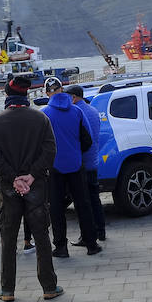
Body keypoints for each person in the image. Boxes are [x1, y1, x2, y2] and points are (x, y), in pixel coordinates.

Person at [0, 75, 61, 302]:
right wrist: (31, 175)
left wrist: (13, 178)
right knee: (41, 237)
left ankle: (7, 289)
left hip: (8, 188)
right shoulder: (40, 119)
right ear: (26, 96)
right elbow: (50, 151)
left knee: (8, 239)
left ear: (8, 95)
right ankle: (49, 286)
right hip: (36, 185)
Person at [42, 76, 101, 257]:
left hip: (55, 167)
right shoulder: (76, 111)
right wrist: (75, 151)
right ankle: (91, 244)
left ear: (46, 93)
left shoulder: (44, 113)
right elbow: (87, 140)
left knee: (56, 208)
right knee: (83, 204)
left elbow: (40, 144)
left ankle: (61, 247)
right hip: (76, 165)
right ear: (62, 90)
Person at [67, 84, 107, 243]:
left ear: (74, 97)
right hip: (93, 161)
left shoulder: (77, 113)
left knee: (83, 202)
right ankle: (100, 231)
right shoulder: (93, 110)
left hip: (81, 162)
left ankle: (87, 236)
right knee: (94, 198)